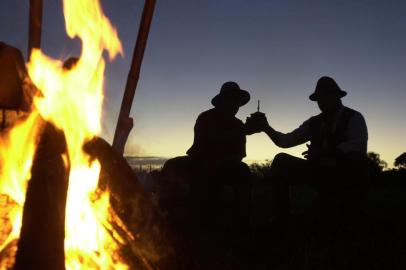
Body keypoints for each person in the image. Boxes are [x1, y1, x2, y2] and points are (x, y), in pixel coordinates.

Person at [250, 76, 369, 221]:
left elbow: (358, 145)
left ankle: (349, 204)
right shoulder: (314, 122)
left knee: (357, 160)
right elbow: (286, 141)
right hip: (318, 172)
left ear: (337, 97)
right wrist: (266, 128)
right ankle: (282, 217)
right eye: (319, 98)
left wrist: (325, 153)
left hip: (343, 173)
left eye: (326, 96)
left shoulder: (354, 117)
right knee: (281, 160)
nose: (322, 102)